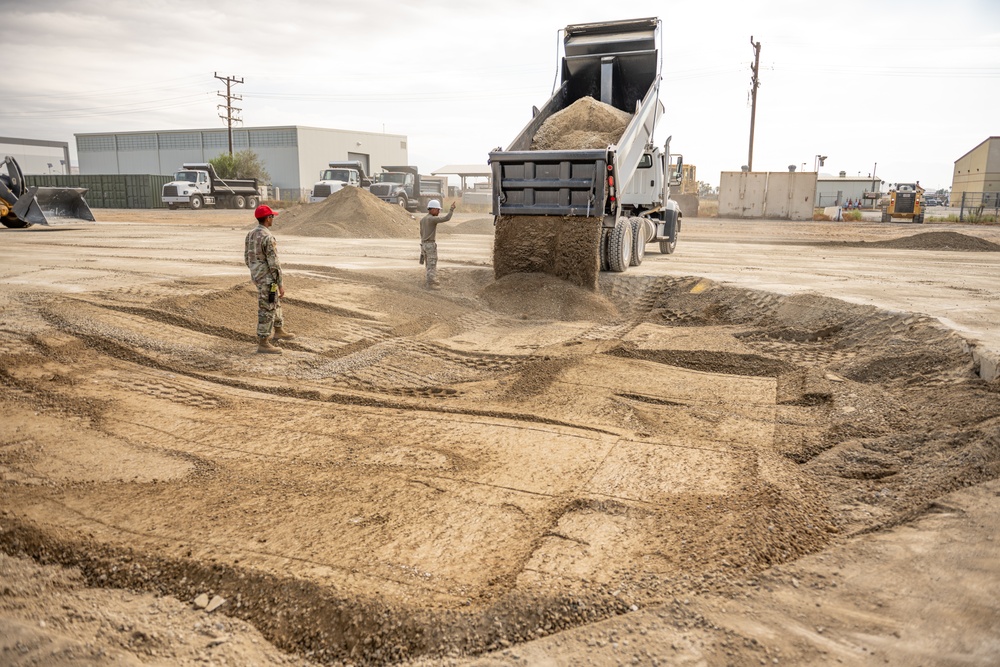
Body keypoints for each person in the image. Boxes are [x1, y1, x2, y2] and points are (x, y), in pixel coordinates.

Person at [245, 204, 296, 354]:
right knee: (267, 307)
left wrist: (255, 274)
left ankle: (279, 329)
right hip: (268, 279)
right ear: (268, 219)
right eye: (272, 216)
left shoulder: (250, 234)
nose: (273, 219)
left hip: (258, 277)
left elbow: (247, 258)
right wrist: (280, 283)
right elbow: (274, 263)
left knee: (274, 301)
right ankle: (263, 342)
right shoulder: (267, 237)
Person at [419, 199, 457, 289]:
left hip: (423, 244)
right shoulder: (432, 219)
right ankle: (431, 284)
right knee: (432, 264)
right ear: (432, 209)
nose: (439, 211)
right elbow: (446, 218)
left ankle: (428, 282)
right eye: (438, 209)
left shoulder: (423, 220)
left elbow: (421, 233)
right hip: (430, 245)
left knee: (428, 265)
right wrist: (451, 209)